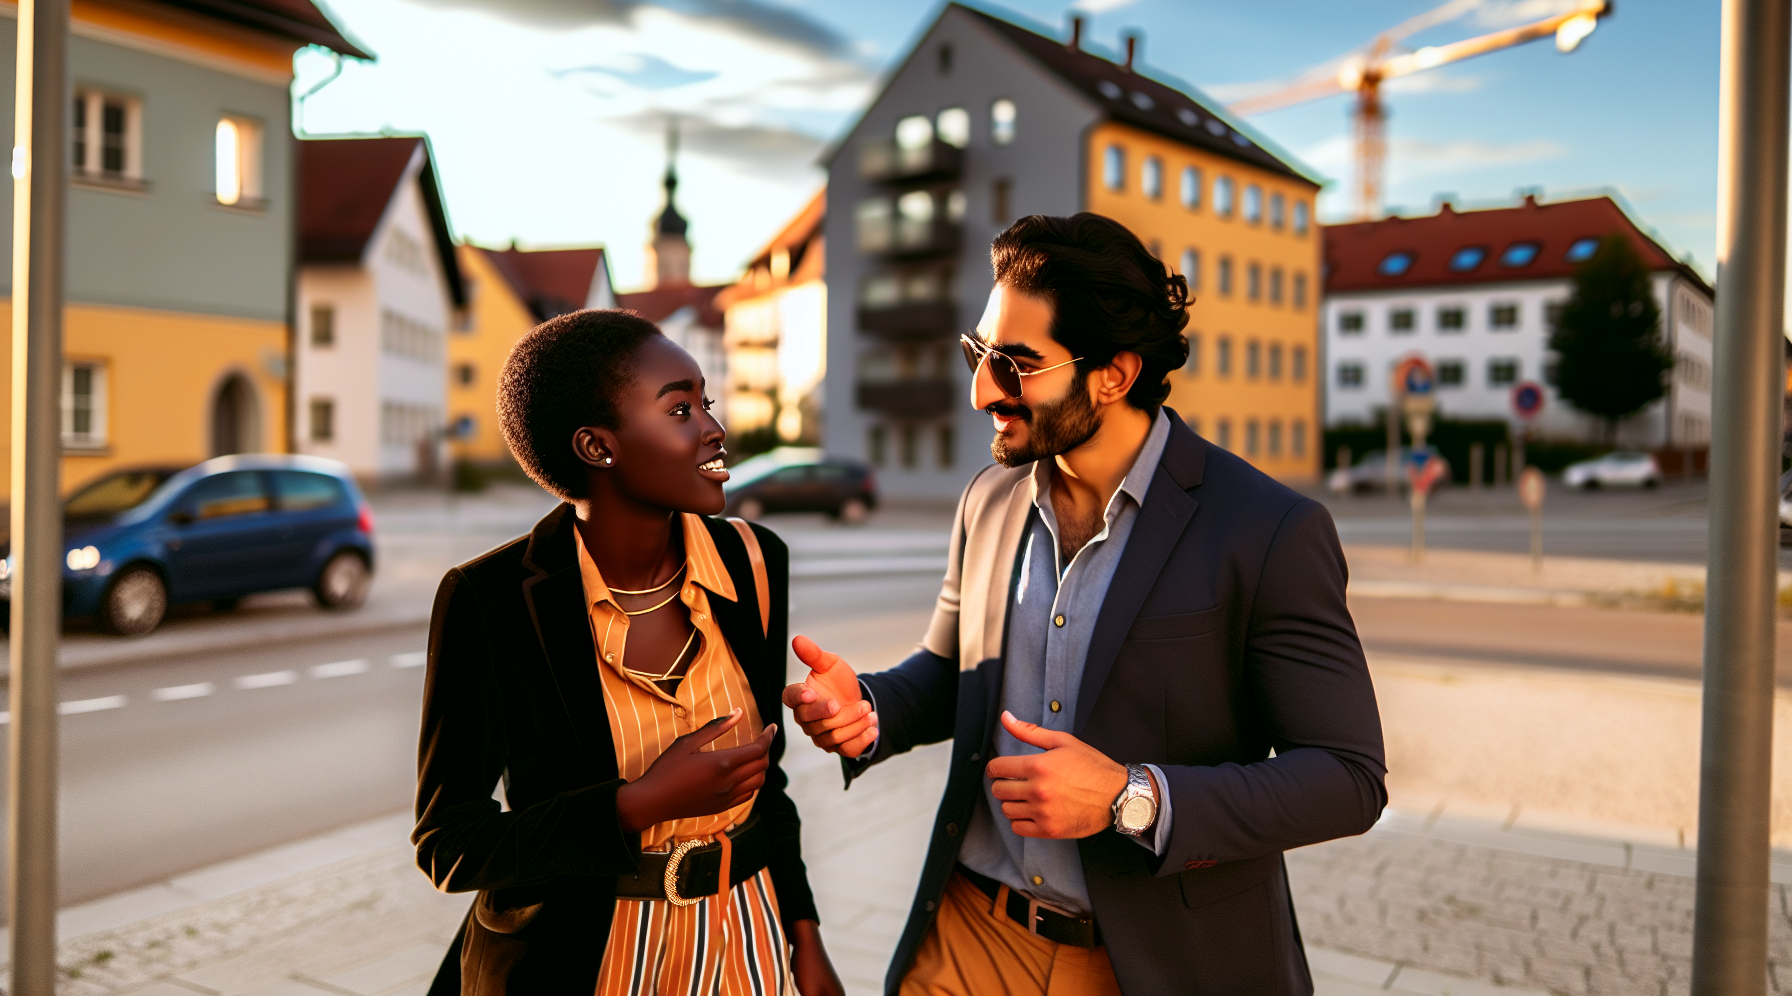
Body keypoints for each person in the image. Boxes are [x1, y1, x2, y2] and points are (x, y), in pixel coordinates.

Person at [783, 213, 1387, 996]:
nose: (982, 390)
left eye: (1015, 364)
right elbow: (954, 674)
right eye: (978, 354)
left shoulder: (1268, 529)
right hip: (968, 940)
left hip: (1156, 963)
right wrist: (868, 708)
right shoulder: (989, 499)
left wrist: (1131, 798)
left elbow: (1347, 777)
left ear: (1113, 374)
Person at [415, 309, 844, 995]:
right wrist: (633, 805)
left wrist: (805, 935)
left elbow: (769, 783)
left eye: (705, 402)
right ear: (597, 446)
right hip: (579, 958)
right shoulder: (489, 600)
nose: (714, 427)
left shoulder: (754, 561)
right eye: (680, 409)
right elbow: (450, 843)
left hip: (746, 938)